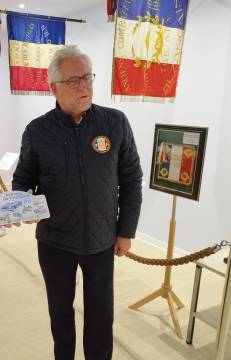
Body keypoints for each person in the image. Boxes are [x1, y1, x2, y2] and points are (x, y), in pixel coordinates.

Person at [12, 45, 143, 360]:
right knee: (60, 313)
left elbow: (132, 180)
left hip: (101, 239)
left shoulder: (115, 123)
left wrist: (125, 231)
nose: (84, 86)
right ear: (53, 87)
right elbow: (22, 179)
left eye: (87, 77)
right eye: (73, 80)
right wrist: (22, 200)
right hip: (55, 241)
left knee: (101, 316)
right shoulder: (38, 131)